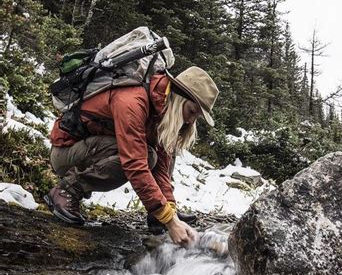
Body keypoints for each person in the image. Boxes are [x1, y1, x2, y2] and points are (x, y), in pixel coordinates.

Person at [44, 66, 219, 246]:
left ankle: (155, 214)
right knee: (146, 156)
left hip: (96, 150)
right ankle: (67, 190)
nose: (190, 120)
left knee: (163, 152)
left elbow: (161, 169)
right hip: (66, 153)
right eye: (191, 111)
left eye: (196, 116)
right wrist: (171, 222)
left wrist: (168, 211)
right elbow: (135, 165)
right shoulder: (132, 101)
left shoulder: (160, 108)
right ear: (179, 97)